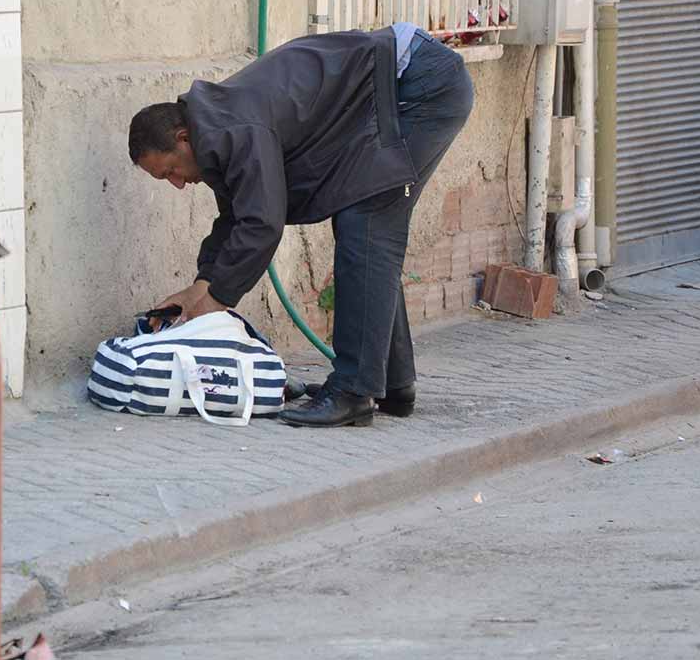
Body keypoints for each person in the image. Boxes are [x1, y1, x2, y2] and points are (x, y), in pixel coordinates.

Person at [127, 23, 473, 428]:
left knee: (365, 221)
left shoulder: (234, 129)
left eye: (171, 171)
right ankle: (393, 386)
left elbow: (262, 224)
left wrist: (215, 304)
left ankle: (353, 392)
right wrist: (197, 289)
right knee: (365, 224)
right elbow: (238, 216)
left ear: (183, 138)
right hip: (399, 82)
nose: (179, 184)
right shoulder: (216, 130)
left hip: (418, 84)